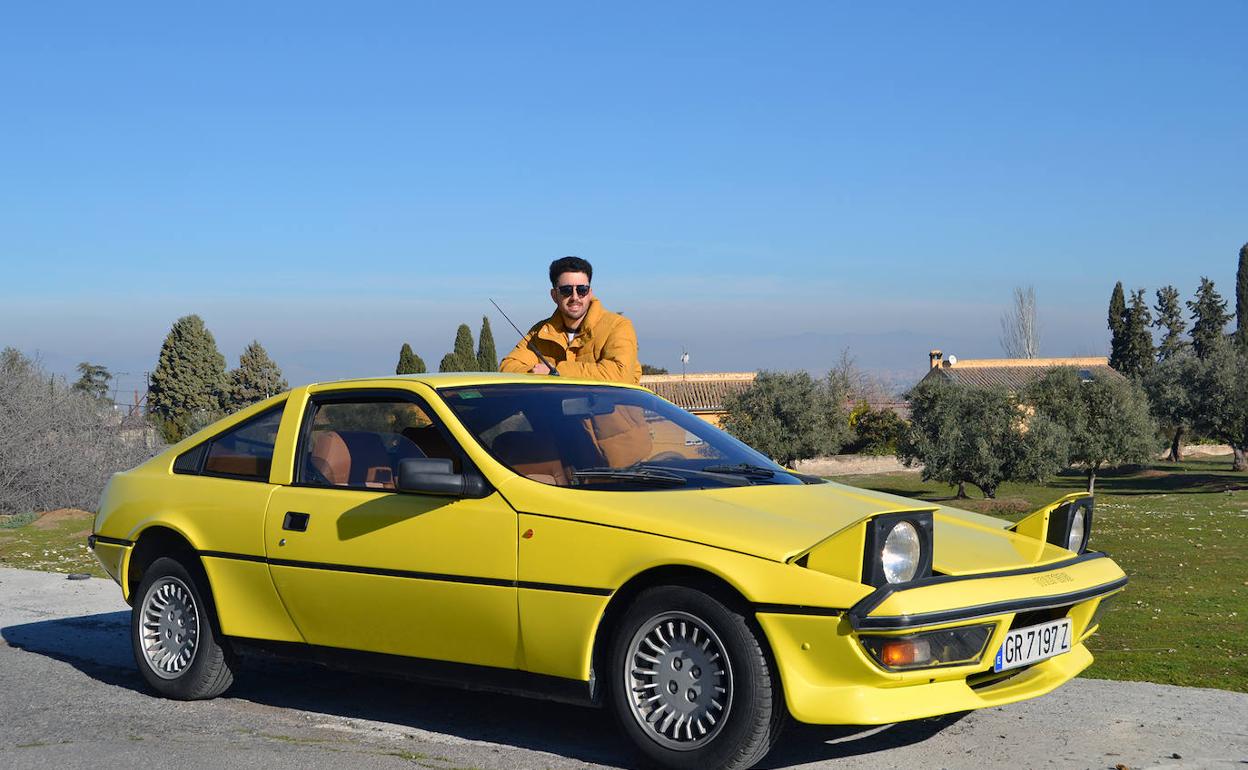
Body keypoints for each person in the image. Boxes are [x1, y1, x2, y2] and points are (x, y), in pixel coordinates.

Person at [498, 256, 642, 384]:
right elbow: (507, 367)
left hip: (609, 415)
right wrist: (535, 372)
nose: (575, 297)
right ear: (554, 295)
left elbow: (620, 374)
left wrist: (555, 372)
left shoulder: (618, 326)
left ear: (590, 293)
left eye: (582, 290)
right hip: (558, 415)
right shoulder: (540, 332)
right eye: (566, 290)